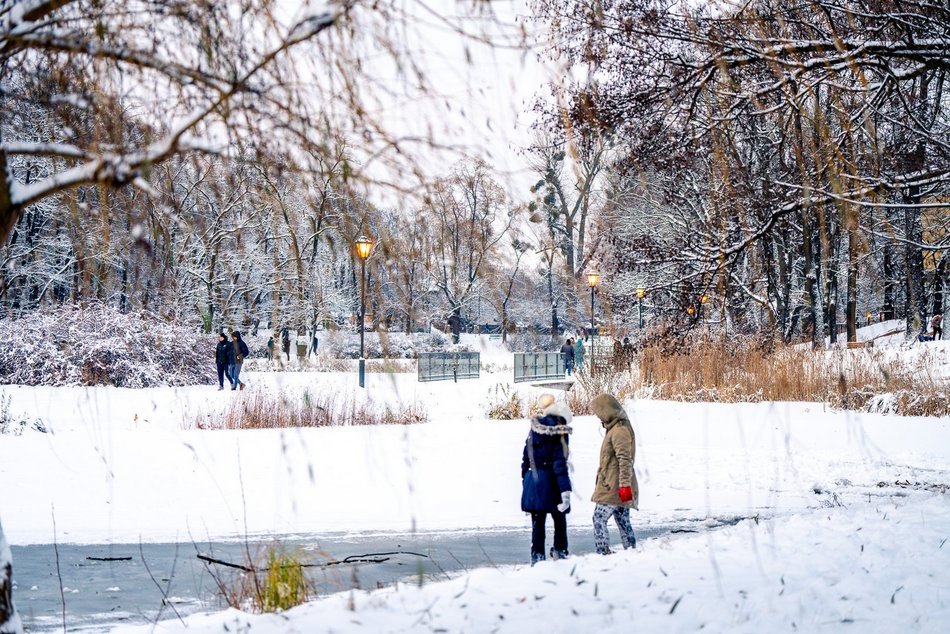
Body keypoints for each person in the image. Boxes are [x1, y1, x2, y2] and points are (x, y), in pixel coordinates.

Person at [521, 394, 573, 565]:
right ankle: (560, 551)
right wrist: (565, 490)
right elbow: (560, 463)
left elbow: (525, 457)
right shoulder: (560, 432)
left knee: (538, 521)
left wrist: (526, 480)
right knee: (559, 517)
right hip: (551, 482)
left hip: (533, 480)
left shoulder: (534, 429)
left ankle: (537, 556)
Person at [589, 393, 639, 555]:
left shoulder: (619, 431)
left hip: (614, 486)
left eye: (599, 413)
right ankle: (631, 552)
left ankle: (603, 553)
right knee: (623, 521)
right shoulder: (615, 429)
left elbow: (625, 459)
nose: (599, 418)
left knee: (599, 518)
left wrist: (624, 486)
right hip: (613, 483)